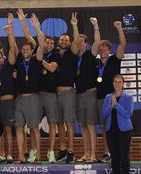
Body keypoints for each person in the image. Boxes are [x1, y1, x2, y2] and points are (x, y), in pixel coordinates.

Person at [14, 13, 45, 163]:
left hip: (33, 98)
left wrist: (36, 27)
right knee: (19, 128)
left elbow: (41, 42)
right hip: (20, 98)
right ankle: (21, 156)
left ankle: (38, 156)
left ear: (32, 51)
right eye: (23, 49)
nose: (25, 50)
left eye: (28, 49)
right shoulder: (19, 60)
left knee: (34, 128)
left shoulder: (37, 59)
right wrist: (21, 22)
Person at [96, 21, 126, 162]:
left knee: (116, 126)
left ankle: (117, 152)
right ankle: (107, 152)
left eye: (105, 50)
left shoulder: (115, 59)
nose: (103, 52)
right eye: (100, 50)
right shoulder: (95, 63)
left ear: (109, 50)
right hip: (101, 99)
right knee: (104, 127)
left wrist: (119, 29)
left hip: (115, 98)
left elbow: (123, 45)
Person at [0, 13, 17, 164]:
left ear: (2, 57)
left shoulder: (8, 66)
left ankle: (9, 155)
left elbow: (12, 49)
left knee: (8, 130)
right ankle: (0, 153)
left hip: (7, 102)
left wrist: (10, 31)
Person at [101, 75, 133, 174]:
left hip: (124, 131)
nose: (117, 84)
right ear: (113, 83)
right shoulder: (108, 97)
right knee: (114, 158)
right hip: (111, 131)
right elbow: (103, 114)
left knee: (124, 157)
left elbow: (128, 114)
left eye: (120, 82)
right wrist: (111, 105)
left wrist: (117, 105)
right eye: (115, 82)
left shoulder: (128, 97)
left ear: (123, 84)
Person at [74, 17, 100, 163]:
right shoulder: (74, 57)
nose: (79, 43)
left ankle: (93, 154)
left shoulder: (90, 54)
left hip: (90, 93)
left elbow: (97, 42)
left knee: (90, 125)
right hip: (79, 94)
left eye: (81, 41)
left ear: (85, 43)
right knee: (83, 126)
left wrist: (95, 26)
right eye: (77, 41)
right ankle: (85, 153)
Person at [55, 12, 79, 163]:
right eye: (62, 39)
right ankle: (62, 149)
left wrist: (74, 25)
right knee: (59, 123)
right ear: (59, 41)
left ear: (70, 42)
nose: (64, 41)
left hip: (68, 92)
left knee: (69, 123)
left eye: (66, 40)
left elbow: (77, 40)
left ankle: (71, 150)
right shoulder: (54, 53)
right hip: (55, 94)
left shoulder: (72, 52)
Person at [36, 36, 60, 163]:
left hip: (51, 94)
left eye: (52, 43)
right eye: (47, 42)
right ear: (43, 43)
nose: (50, 45)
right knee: (34, 125)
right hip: (37, 94)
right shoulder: (38, 51)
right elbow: (29, 36)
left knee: (52, 124)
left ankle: (51, 152)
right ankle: (35, 152)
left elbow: (52, 68)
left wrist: (40, 61)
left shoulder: (55, 55)